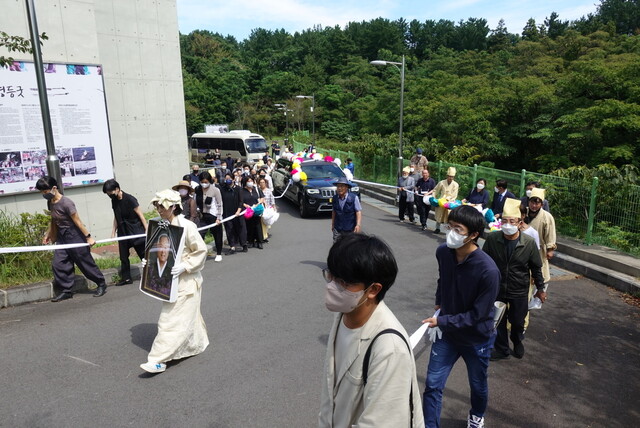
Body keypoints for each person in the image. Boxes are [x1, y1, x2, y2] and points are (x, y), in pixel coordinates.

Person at [318, 233, 424, 427]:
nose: (332, 286)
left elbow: (381, 422)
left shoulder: (389, 348)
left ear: (373, 289)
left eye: (343, 282)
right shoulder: (345, 313)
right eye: (331, 275)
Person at [422, 205, 500, 428]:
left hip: (477, 338)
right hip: (448, 335)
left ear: (474, 235)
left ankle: (476, 414)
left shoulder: (488, 271)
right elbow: (442, 279)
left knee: (477, 385)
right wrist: (439, 301)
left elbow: (478, 315)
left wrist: (442, 321)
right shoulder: (443, 252)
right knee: (433, 384)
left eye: (458, 229)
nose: (451, 233)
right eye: (450, 226)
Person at [140, 189, 208, 374]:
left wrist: (186, 265)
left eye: (163, 206)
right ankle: (196, 343)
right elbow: (155, 249)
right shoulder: (158, 226)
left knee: (169, 321)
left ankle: (158, 359)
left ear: (174, 207)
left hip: (186, 280)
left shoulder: (187, 226)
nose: (159, 209)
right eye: (157, 206)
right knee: (185, 318)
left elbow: (200, 250)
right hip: (167, 282)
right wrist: (148, 262)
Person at [482, 198, 546, 361]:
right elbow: (483, 263)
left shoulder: (528, 242)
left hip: (519, 288)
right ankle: (502, 349)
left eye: (512, 221)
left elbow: (536, 268)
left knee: (517, 322)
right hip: (497, 288)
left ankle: (517, 341)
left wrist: (540, 289)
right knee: (498, 321)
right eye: (504, 221)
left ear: (520, 222)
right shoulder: (492, 239)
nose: (507, 224)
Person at [36, 176, 107, 301]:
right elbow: (54, 219)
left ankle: (101, 283)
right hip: (62, 236)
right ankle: (66, 290)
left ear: (54, 188)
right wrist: (48, 234)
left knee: (84, 262)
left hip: (74, 234)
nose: (43, 194)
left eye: (45, 192)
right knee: (59, 263)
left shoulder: (67, 203)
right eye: (42, 192)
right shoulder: (50, 202)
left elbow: (78, 221)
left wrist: (88, 237)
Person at [103, 179, 147, 286]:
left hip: (135, 230)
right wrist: (113, 232)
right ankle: (126, 278)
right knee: (123, 256)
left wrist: (147, 229)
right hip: (123, 231)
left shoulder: (130, 199)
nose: (110, 195)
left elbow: (140, 214)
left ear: (117, 189)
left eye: (111, 192)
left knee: (143, 254)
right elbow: (116, 216)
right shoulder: (114, 201)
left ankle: (152, 274)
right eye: (108, 194)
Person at [526, 188, 557, 287]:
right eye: (532, 203)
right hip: (523, 248)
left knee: (538, 274)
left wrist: (550, 249)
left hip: (538, 250)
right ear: (529, 202)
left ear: (542, 204)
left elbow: (550, 234)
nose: (534, 206)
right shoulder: (523, 213)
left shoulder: (547, 217)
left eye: (537, 203)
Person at [195, 172, 224, 262]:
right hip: (202, 216)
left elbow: (220, 204)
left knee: (217, 235)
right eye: (202, 182)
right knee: (200, 235)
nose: (204, 184)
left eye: (206, 182)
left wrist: (219, 217)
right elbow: (195, 201)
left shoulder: (215, 190)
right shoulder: (197, 190)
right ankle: (201, 254)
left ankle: (218, 253)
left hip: (213, 216)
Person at [220, 172, 246, 254]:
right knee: (229, 229)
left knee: (240, 228)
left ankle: (243, 244)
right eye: (226, 179)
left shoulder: (238, 189)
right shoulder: (223, 189)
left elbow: (241, 201)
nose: (228, 180)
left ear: (233, 179)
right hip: (227, 212)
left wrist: (238, 211)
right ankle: (232, 246)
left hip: (238, 212)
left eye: (229, 179)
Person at [331, 177, 362, 243]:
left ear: (346, 187)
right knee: (337, 247)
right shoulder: (335, 198)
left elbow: (358, 211)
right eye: (338, 186)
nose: (339, 188)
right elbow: (334, 211)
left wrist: (358, 225)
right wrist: (333, 224)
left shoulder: (354, 198)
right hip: (338, 228)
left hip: (350, 229)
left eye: (342, 186)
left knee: (349, 248)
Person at [432, 167, 459, 234]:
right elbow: (435, 190)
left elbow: (454, 195)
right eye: (449, 176)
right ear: (447, 176)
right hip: (441, 200)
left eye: (452, 177)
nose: (450, 178)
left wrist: (449, 200)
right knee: (439, 215)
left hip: (449, 202)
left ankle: (448, 230)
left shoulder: (456, 184)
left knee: (448, 217)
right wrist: (434, 198)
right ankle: (437, 228)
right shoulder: (442, 182)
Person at [240, 175, 265, 249]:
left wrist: (259, 203)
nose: (250, 182)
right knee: (249, 226)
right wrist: (245, 205)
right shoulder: (242, 191)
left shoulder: (256, 189)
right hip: (248, 211)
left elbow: (262, 197)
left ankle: (259, 242)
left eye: (251, 181)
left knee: (258, 226)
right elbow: (240, 201)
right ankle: (250, 241)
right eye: (248, 181)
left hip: (256, 210)